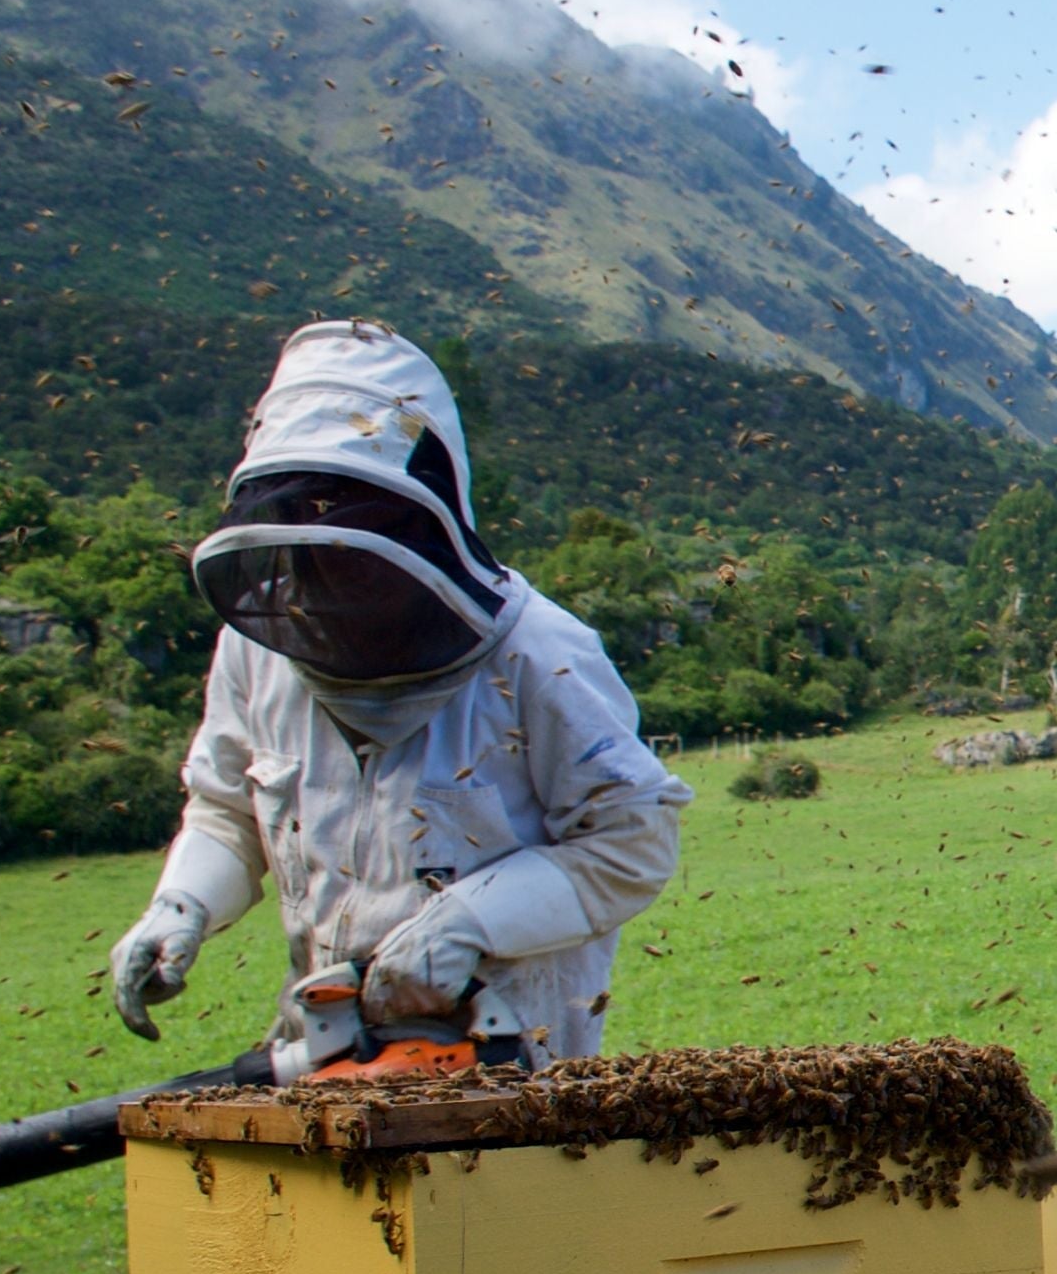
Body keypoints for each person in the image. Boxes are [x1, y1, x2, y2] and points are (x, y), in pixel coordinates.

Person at [108, 320, 691, 1064]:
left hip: (515, 1066)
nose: (336, 582)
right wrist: (182, 904)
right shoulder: (258, 649)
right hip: (325, 1055)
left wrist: (471, 921)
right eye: (307, 538)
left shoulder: (541, 655)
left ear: (421, 525)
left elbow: (631, 839)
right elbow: (229, 812)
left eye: (354, 545)